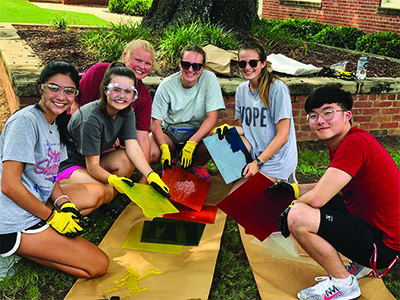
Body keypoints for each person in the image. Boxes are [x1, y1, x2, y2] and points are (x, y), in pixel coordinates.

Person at [279, 87, 399, 300]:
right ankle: (360, 264)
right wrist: (294, 189)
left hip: (383, 246)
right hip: (377, 231)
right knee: (320, 203)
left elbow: (317, 198)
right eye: (313, 115)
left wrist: (291, 206)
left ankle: (343, 284)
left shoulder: (354, 144)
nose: (320, 120)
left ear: (347, 115)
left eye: (328, 112)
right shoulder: (347, 140)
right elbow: (330, 185)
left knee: (297, 216)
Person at [0, 61, 109, 280]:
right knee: (98, 265)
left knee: (98, 193)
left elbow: (49, 179)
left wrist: (64, 204)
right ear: (41, 87)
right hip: (10, 218)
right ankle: (9, 250)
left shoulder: (56, 124)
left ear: (75, 95)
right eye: (54, 88)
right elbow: (9, 185)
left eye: (69, 91)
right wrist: (52, 217)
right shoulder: (25, 122)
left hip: (33, 202)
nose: (61, 96)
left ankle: (27, 249)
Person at [58, 63, 170, 213]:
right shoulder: (90, 118)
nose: (122, 96)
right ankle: (59, 203)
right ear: (105, 91)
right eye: (116, 90)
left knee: (126, 160)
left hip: (95, 158)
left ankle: (102, 200)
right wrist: (113, 180)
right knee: (106, 190)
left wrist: (150, 174)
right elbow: (92, 167)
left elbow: (132, 146)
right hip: (68, 165)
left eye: (128, 92)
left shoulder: (126, 110)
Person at [216, 41, 297, 191]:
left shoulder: (277, 89)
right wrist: (229, 130)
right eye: (242, 64)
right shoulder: (241, 90)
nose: (247, 68)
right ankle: (243, 175)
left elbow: (283, 135)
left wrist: (258, 163)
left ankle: (286, 181)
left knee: (241, 202)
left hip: (276, 160)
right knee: (217, 139)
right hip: (254, 154)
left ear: (263, 63)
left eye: (253, 62)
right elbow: (245, 129)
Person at [77, 40, 156, 183]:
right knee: (96, 190)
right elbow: (77, 108)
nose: (142, 67)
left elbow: (142, 137)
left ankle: (110, 192)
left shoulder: (142, 97)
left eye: (147, 63)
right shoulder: (99, 72)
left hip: (104, 152)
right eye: (137, 60)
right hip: (78, 146)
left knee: (128, 159)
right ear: (125, 56)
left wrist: (147, 176)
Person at [150, 45, 226, 173]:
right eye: (186, 64)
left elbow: (212, 117)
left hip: (197, 135)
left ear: (203, 67)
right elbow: (155, 122)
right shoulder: (167, 85)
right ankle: (149, 176)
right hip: (170, 134)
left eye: (196, 66)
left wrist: (192, 143)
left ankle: (192, 168)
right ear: (180, 64)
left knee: (220, 138)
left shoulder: (209, 79)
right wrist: (163, 148)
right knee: (148, 148)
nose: (190, 70)